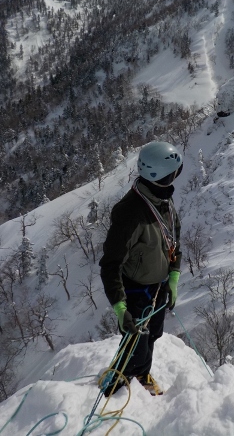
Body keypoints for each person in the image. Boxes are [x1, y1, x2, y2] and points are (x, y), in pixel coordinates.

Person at [99, 141, 183, 397]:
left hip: (156, 284)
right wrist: (120, 306)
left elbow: (173, 241)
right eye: (174, 172)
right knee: (136, 341)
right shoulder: (130, 213)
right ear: (163, 175)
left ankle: (141, 373)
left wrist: (173, 276)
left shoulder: (162, 201)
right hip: (136, 289)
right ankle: (118, 383)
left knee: (153, 334)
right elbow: (110, 264)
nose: (177, 175)